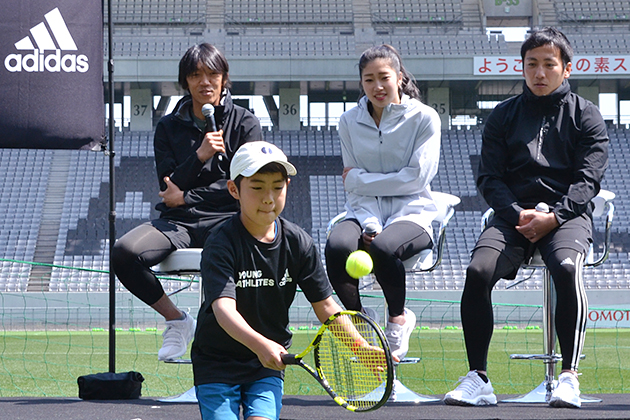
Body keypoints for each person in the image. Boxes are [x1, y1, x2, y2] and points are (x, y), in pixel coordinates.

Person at [443, 27, 609, 408]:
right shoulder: (502, 116)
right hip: (511, 217)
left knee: (566, 269)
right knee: (477, 272)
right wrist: (518, 214)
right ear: (522, 67)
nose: (539, 73)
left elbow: (589, 180)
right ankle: (478, 378)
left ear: (566, 69)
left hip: (567, 216)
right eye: (531, 64)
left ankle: (568, 376)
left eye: (549, 65)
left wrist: (554, 216)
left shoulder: (587, 115)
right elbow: (489, 177)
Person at [191, 141, 388, 420]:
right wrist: (261, 345)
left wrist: (361, 348)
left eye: (277, 187)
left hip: (269, 364)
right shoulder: (220, 243)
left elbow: (326, 306)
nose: (268, 198)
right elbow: (223, 310)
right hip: (216, 362)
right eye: (257, 187)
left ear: (288, 187)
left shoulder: (299, 242)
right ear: (234, 190)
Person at [111, 43, 262, 361]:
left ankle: (239, 337)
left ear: (224, 78)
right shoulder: (167, 126)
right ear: (185, 81)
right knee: (124, 253)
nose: (204, 82)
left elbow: (249, 187)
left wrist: (190, 194)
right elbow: (169, 187)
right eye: (195, 75)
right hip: (180, 220)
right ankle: (177, 320)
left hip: (228, 219)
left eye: (212, 73)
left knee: (234, 262)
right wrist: (200, 155)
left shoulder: (245, 123)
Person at [324, 44, 441, 360]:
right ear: (361, 83)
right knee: (336, 247)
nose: (377, 86)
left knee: (385, 247)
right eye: (368, 79)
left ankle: (398, 318)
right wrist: (372, 221)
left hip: (413, 212)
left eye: (384, 77)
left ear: (400, 77)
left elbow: (416, 179)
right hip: (364, 211)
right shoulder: (348, 121)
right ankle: (361, 320)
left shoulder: (424, 118)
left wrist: (361, 178)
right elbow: (354, 189)